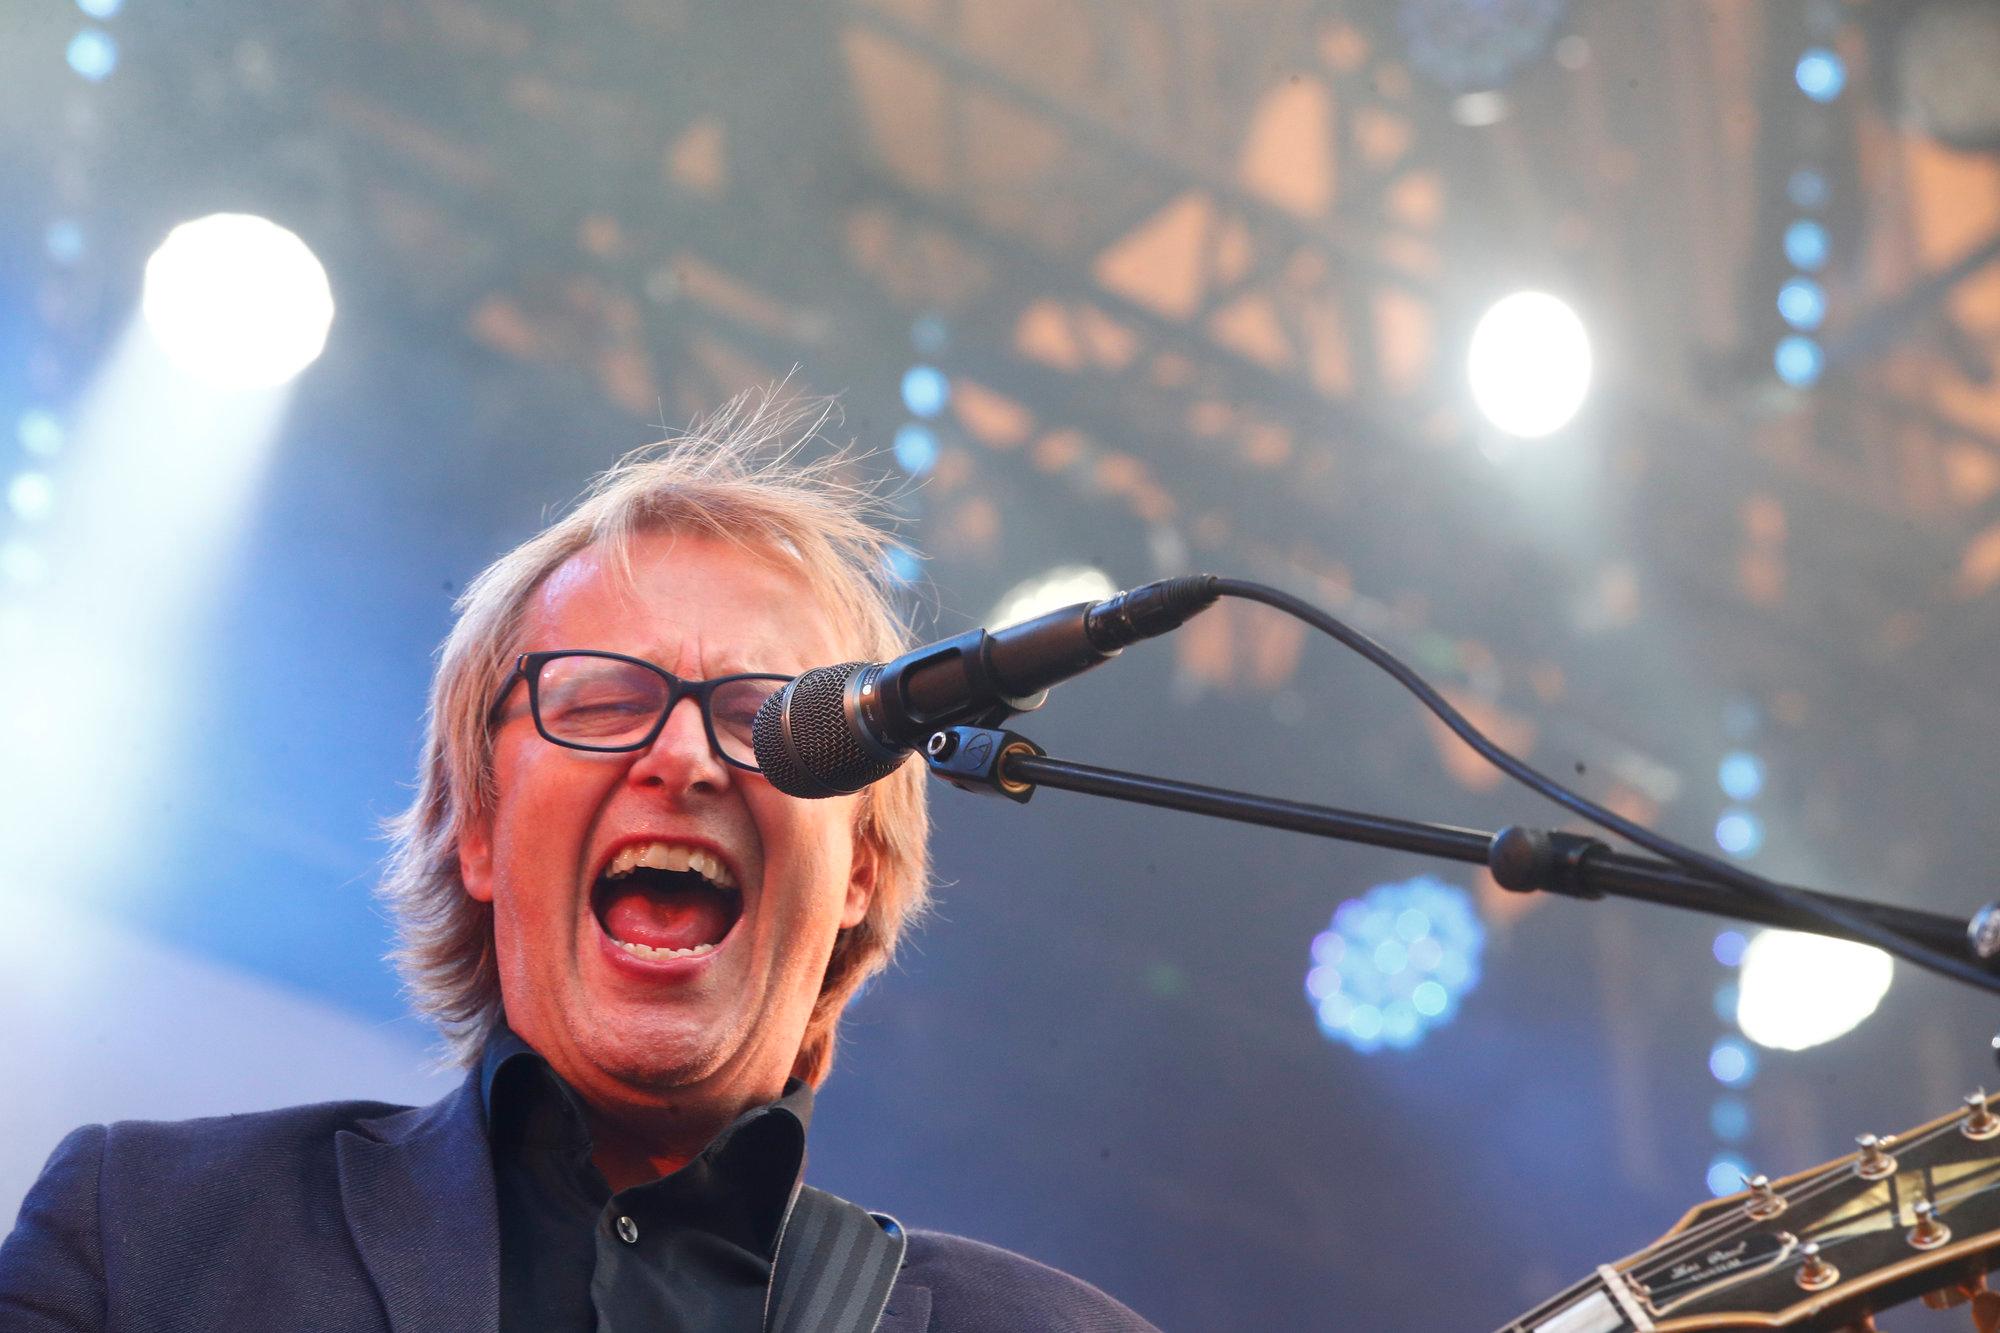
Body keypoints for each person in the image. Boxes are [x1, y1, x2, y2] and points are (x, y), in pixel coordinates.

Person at [0, 393, 1156, 1332]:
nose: (685, 756)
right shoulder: (148, 1234)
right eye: (601, 700)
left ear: (857, 866)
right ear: (482, 828)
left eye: (765, 715)